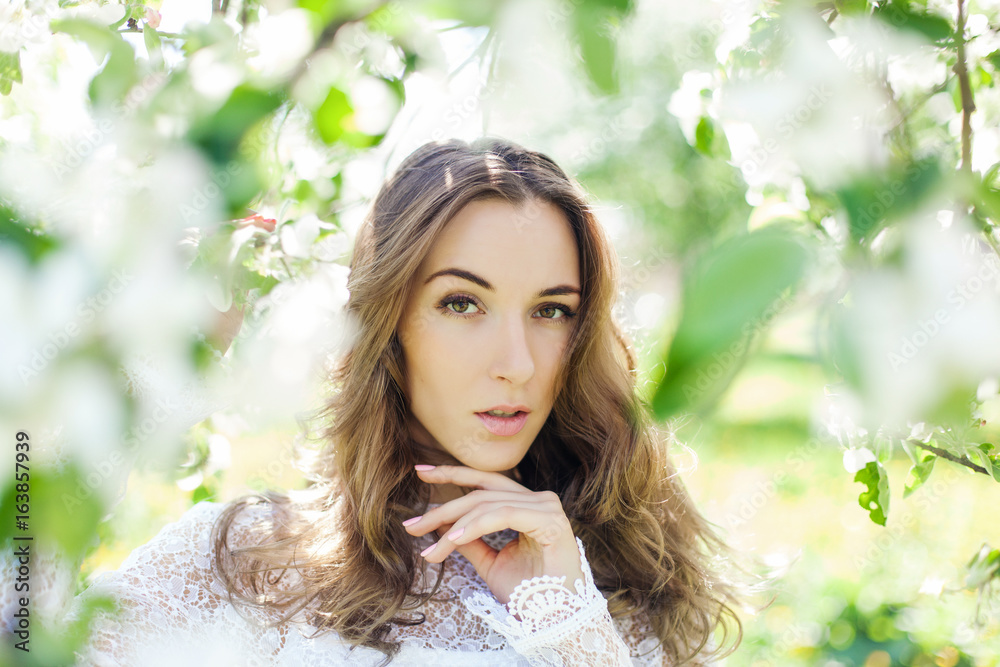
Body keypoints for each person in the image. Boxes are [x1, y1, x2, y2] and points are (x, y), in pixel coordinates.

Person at [73, 138, 744, 665]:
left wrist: (566, 620)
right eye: (462, 303)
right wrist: (128, 384)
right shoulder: (241, 562)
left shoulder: (617, 581)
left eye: (551, 310)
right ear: (386, 322)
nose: (517, 363)